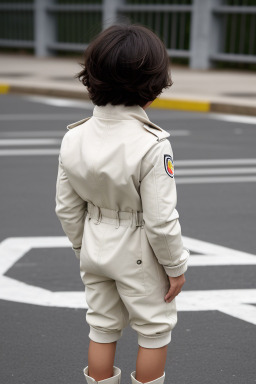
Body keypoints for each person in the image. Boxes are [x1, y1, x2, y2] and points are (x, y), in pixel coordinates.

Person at [55, 23, 190, 384]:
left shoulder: (74, 137)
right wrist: (175, 267)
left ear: (92, 76)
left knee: (101, 325)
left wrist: (83, 245)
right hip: (138, 248)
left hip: (95, 242)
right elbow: (161, 220)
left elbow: (66, 207)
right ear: (153, 85)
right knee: (154, 330)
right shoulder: (152, 143)